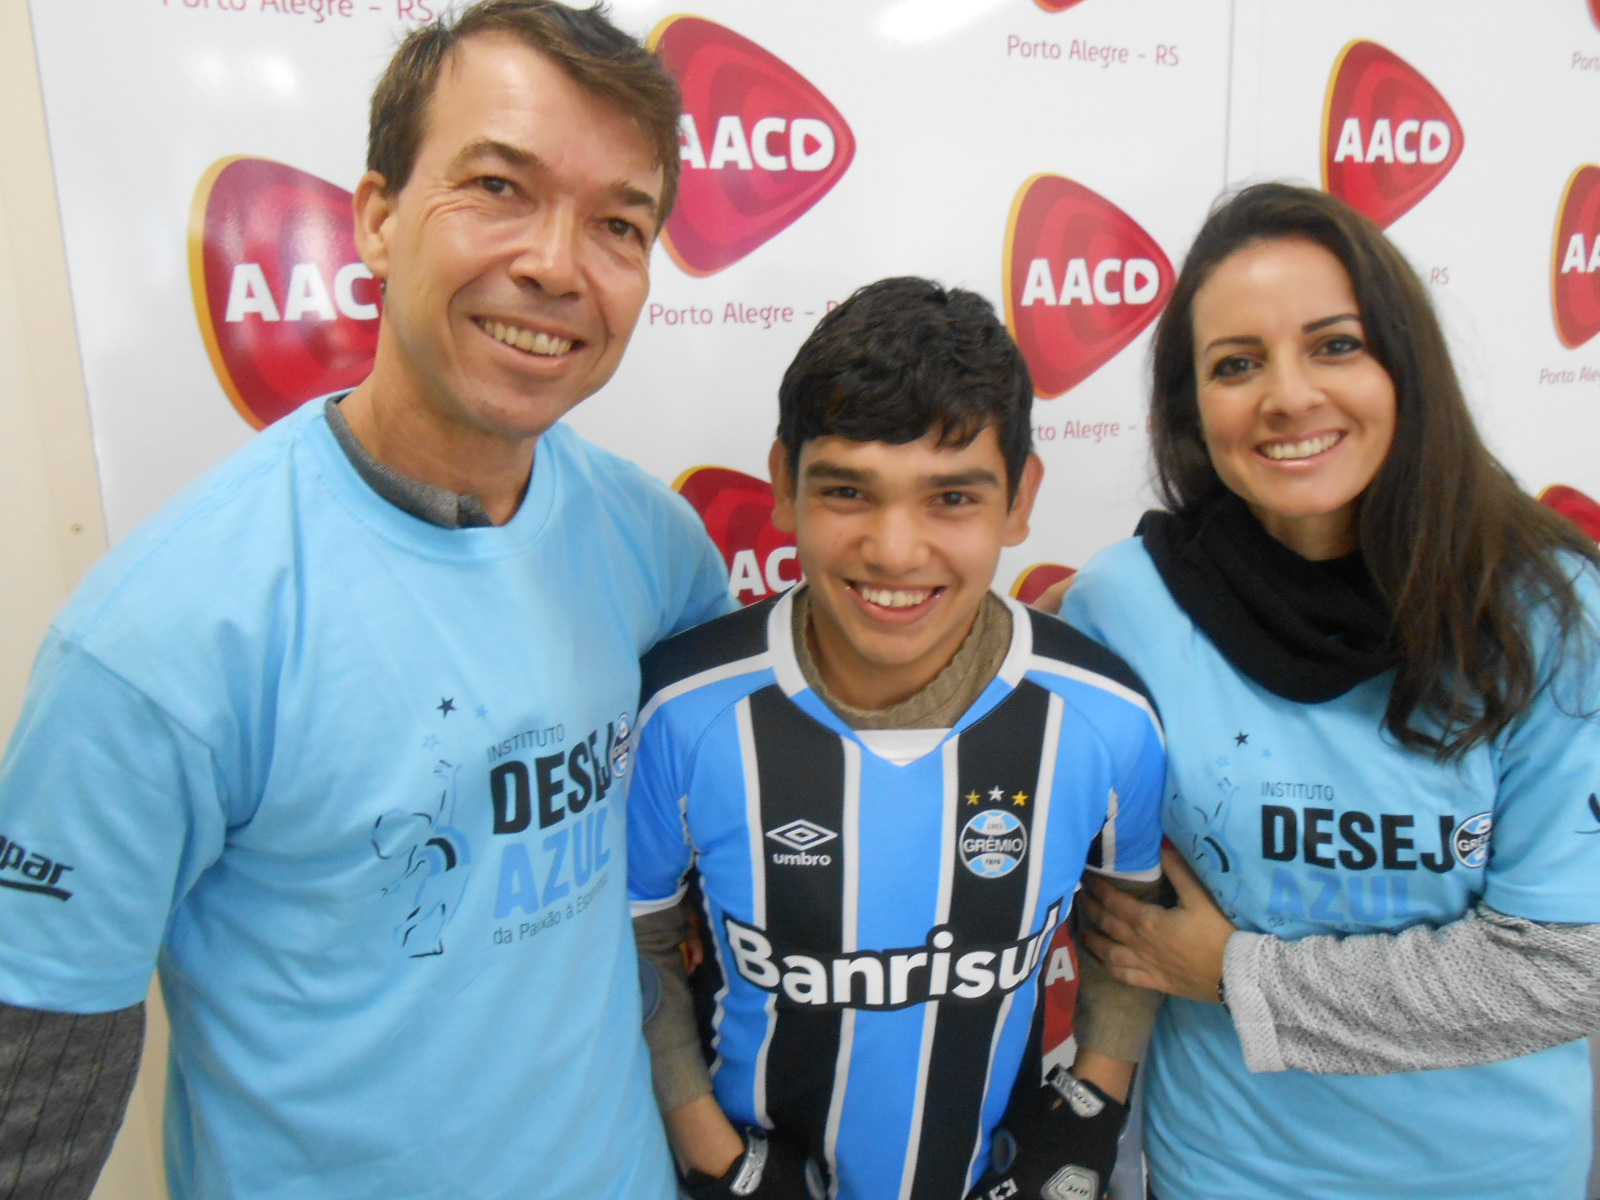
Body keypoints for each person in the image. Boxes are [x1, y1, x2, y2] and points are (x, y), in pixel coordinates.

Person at [0, 4, 732, 1198]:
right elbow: (32, 1104)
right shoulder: (161, 636)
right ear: (379, 218)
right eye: (498, 186)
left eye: (618, 222)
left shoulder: (656, 547)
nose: (555, 263)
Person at [1055, 182, 1600, 1199]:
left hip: (1495, 1179)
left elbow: (1562, 970)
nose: (1288, 395)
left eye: (1335, 345)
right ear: (1188, 406)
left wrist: (1237, 974)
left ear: (1406, 364)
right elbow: (1098, 911)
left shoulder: (1553, 614)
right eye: (1235, 365)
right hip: (1225, 1172)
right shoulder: (1121, 611)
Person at [626, 277, 1169, 1200]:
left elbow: (1131, 937)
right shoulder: (684, 712)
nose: (894, 549)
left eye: (951, 498)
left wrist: (1089, 1113)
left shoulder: (1105, 716)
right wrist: (711, 1152)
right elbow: (637, 953)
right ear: (785, 486)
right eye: (848, 490)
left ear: (1020, 498)